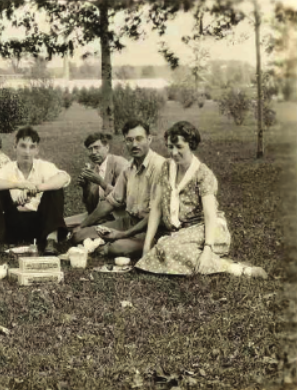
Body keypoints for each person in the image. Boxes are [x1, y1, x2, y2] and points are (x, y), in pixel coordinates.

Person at [135, 121, 267, 278]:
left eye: (179, 147)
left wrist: (207, 248)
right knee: (163, 246)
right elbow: (156, 207)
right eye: (170, 147)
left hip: (209, 230)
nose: (174, 152)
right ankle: (222, 263)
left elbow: (210, 215)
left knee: (165, 246)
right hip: (182, 232)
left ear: (191, 145)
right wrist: (146, 246)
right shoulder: (166, 168)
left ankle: (235, 269)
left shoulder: (203, 174)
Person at [71, 119, 166, 259]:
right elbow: (111, 201)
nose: (134, 144)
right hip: (128, 222)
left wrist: (123, 234)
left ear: (149, 139)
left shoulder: (159, 166)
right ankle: (101, 244)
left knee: (117, 247)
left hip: (152, 228)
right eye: (129, 140)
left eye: (139, 139)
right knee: (79, 235)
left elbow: (155, 214)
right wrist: (83, 225)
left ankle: (109, 245)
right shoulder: (129, 168)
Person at [0, 126, 71, 258]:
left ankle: (51, 241)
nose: (27, 152)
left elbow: (64, 178)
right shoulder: (8, 168)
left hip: (40, 225)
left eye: (32, 147)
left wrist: (37, 188)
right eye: (23, 146)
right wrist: (18, 185)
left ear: (37, 150)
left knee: (55, 190)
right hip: (12, 224)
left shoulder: (43, 166)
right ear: (15, 147)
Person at [65, 132, 129, 228]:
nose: (93, 152)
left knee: (80, 234)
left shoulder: (120, 164)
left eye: (96, 147)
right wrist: (85, 187)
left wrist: (101, 182)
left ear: (107, 147)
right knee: (60, 223)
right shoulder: (96, 169)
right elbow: (91, 208)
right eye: (90, 149)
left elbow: (124, 200)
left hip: (119, 217)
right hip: (99, 215)